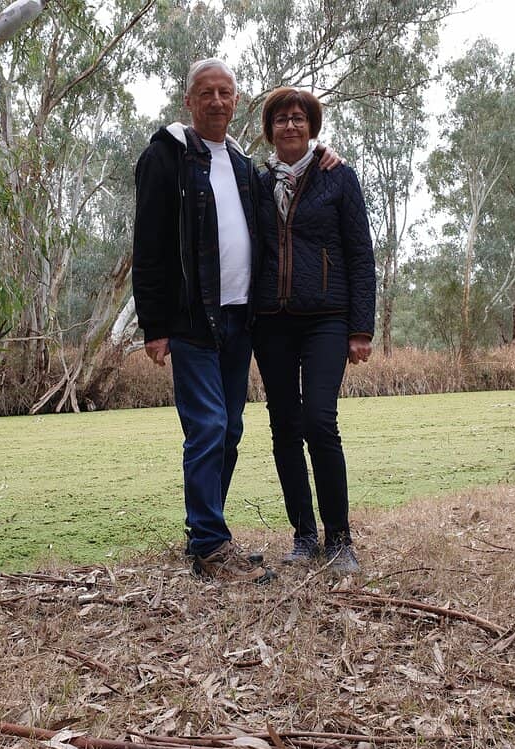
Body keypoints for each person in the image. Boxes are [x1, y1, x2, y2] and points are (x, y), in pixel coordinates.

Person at [131, 58, 273, 583]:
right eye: (206, 92)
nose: (216, 101)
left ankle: (206, 535)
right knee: (208, 425)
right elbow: (148, 245)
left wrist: (324, 153)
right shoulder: (166, 156)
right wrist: (154, 325)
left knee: (229, 429)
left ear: (237, 102)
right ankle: (210, 546)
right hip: (191, 320)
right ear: (188, 101)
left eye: (225, 93)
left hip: (240, 318)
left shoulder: (241, 163)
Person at [252, 87, 376, 577]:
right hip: (271, 320)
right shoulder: (257, 182)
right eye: (281, 118)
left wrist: (361, 328)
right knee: (284, 425)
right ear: (270, 129)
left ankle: (340, 539)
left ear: (312, 127)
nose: (290, 125)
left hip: (327, 317)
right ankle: (304, 536)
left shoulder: (337, 176)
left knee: (319, 421)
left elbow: (360, 254)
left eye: (299, 118)